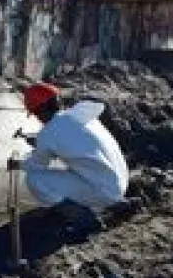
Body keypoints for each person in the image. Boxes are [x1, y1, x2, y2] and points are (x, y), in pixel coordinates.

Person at [19, 83, 129, 239]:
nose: (38, 118)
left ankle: (85, 220)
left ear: (41, 109)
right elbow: (70, 141)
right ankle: (114, 202)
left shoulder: (49, 133)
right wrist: (43, 142)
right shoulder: (79, 116)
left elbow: (36, 164)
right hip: (119, 182)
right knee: (68, 166)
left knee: (35, 179)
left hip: (105, 191)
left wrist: (18, 163)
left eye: (36, 113)